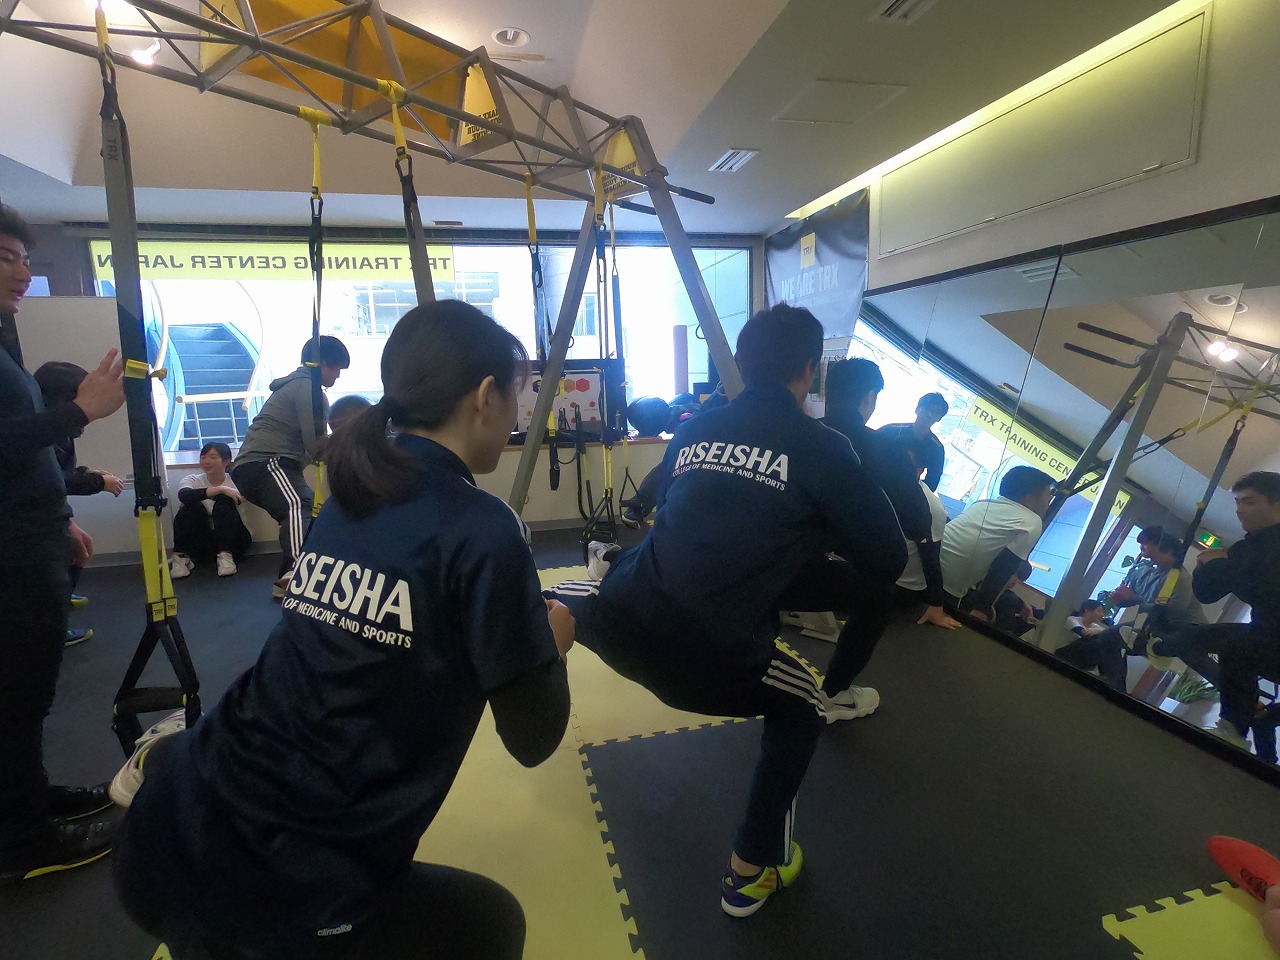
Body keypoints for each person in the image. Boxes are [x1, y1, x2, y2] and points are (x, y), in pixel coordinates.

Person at [110, 300, 573, 959]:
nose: (519, 413)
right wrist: (549, 647)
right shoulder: (483, 527)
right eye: (518, 395)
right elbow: (533, 738)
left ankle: (166, 761)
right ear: (485, 396)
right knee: (491, 926)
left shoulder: (353, 491)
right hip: (274, 887)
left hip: (161, 837)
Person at [545, 304, 907, 918]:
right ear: (811, 371)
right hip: (705, 656)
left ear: (739, 362)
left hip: (622, 621)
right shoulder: (823, 447)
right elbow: (889, 557)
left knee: (575, 594)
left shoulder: (696, 429)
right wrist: (820, 530)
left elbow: (668, 500)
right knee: (803, 708)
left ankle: (560, 622)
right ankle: (751, 872)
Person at [0, 203, 126, 883]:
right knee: (17, 699)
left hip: (32, 536)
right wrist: (80, 409)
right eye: (5, 257)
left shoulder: (5, 349)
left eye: (24, 258)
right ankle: (22, 841)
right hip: (11, 553)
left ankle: (26, 802)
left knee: (24, 698)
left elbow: (22, 455)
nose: (23, 272)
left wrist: (58, 517)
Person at [1147, 472, 1280, 750]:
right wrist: (1206, 565)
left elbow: (1265, 590)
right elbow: (1208, 594)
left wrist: (1219, 564)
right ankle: (1236, 732)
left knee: (1227, 642)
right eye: (1238, 503)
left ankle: (1155, 645)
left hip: (1270, 639)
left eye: (1249, 502)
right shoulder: (1244, 549)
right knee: (1233, 647)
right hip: (1266, 640)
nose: (1240, 510)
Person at [231, 334, 349, 599]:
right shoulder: (308, 389)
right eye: (337, 368)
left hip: (267, 466)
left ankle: (287, 581)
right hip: (264, 463)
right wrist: (352, 440)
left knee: (307, 517)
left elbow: (317, 448)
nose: (338, 376)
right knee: (299, 505)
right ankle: (298, 570)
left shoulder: (303, 388)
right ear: (323, 364)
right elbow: (316, 446)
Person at [34, 360, 127, 645]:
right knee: (61, 561)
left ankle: (59, 601)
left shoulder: (58, 428)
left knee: (78, 549)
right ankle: (52, 628)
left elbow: (61, 469)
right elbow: (55, 478)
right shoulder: (47, 431)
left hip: (50, 512)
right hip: (35, 519)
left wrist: (88, 473)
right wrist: (97, 483)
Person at [940, 465, 1056, 621]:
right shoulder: (1032, 522)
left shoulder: (982, 504)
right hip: (945, 588)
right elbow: (1003, 567)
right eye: (1047, 499)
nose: (1048, 505)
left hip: (924, 567)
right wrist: (982, 609)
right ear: (1028, 500)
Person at [892, 450, 962, 631]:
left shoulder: (931, 507)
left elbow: (931, 560)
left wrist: (936, 605)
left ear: (920, 469)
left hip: (897, 585)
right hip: (867, 565)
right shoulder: (882, 479)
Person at [169, 441, 252, 579]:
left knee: (224, 500)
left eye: (213, 457)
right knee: (191, 504)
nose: (206, 461)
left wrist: (222, 492)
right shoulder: (192, 480)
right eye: (203, 457)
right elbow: (184, 495)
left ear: (226, 461)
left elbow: (241, 498)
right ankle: (181, 558)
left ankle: (226, 556)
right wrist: (221, 489)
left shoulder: (237, 481)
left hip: (234, 541)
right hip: (202, 543)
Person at [876, 391, 949, 491]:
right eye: (927, 408)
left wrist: (913, 492)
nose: (929, 414)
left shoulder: (936, 448)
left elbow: (932, 483)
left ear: (939, 418)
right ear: (917, 409)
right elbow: (869, 447)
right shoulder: (891, 430)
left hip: (903, 491)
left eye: (935, 412)